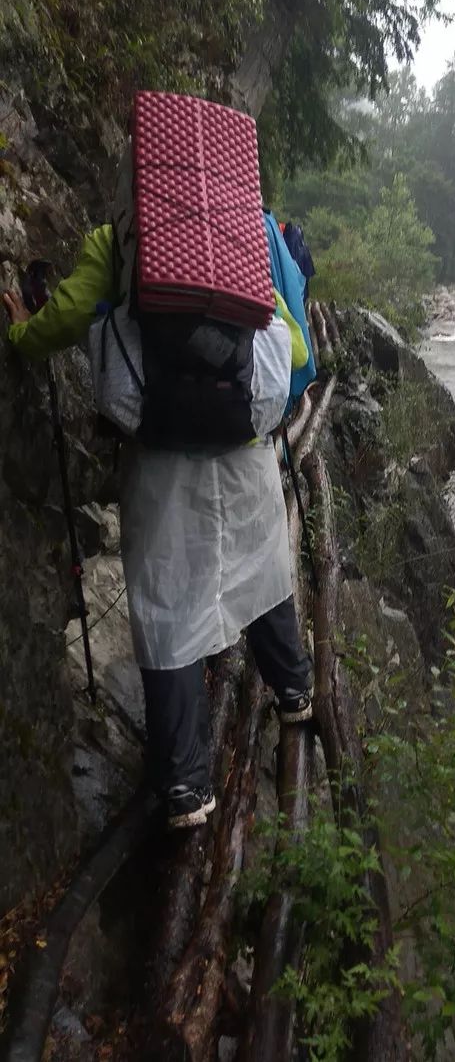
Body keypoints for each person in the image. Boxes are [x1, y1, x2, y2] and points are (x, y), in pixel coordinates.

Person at [2, 226, 314, 830]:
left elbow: (65, 317)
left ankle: (185, 785)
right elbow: (296, 352)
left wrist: (20, 334)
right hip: (244, 447)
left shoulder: (118, 237)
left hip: (162, 456)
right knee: (265, 566)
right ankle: (295, 692)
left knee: (168, 606)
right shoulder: (241, 235)